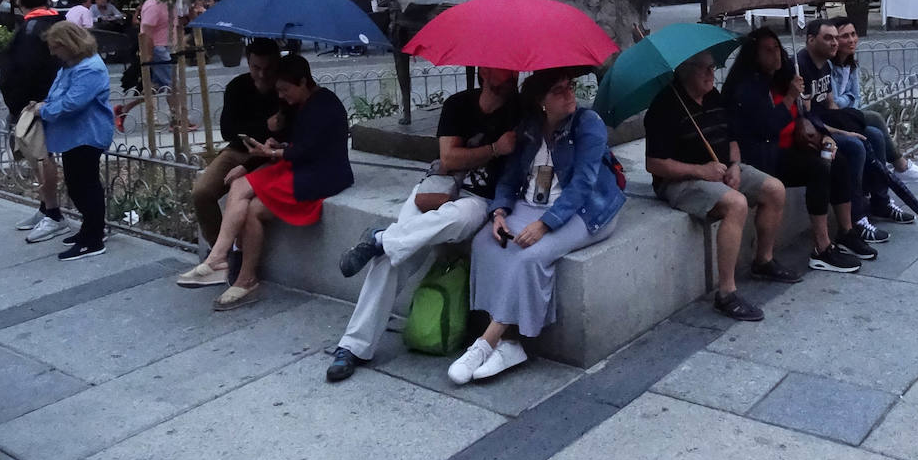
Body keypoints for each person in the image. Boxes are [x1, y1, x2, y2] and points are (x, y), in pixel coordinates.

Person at [326, 66, 521, 383]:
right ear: (484, 71)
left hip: (479, 200)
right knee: (395, 258)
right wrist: (495, 149)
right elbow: (448, 160)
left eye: (514, 71)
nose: (511, 74)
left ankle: (379, 237)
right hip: (438, 189)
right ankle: (353, 347)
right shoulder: (459, 104)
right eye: (503, 69)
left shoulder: (519, 112)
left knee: (455, 219)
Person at [448, 68, 625, 384]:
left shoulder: (588, 124)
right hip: (533, 205)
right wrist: (499, 212)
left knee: (530, 256)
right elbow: (511, 176)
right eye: (558, 90)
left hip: (586, 211)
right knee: (485, 244)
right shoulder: (529, 128)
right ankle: (510, 344)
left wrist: (545, 225)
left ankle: (486, 342)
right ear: (541, 101)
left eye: (570, 86)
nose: (569, 93)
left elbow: (583, 184)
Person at [177, 54, 353, 310]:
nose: (281, 96)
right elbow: (295, 143)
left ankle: (218, 258)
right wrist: (275, 144)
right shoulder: (300, 105)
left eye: (284, 90)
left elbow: (307, 150)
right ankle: (245, 279)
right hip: (301, 168)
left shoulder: (325, 105)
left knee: (240, 186)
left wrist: (271, 153)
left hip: (320, 176)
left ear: (303, 82)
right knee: (250, 209)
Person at [644, 51, 798, 323]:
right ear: (685, 71)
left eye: (712, 67)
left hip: (723, 169)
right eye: (704, 69)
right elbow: (654, 164)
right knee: (735, 204)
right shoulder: (666, 106)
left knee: (775, 189)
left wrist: (735, 166)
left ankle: (763, 261)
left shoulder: (714, 98)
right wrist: (699, 170)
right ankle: (726, 293)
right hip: (681, 180)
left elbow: (732, 139)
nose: (711, 74)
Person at [722, 28, 871, 270]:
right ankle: (821, 247)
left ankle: (846, 230)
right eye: (768, 51)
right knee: (818, 168)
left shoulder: (784, 78)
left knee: (838, 160)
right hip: (764, 156)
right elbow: (765, 128)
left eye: (777, 49)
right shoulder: (747, 88)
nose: (776, 56)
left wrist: (823, 136)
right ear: (754, 55)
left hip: (790, 147)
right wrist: (790, 97)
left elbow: (807, 116)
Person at [796, 20, 910, 239]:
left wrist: (845, 124)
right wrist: (844, 133)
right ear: (811, 40)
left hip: (826, 124)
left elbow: (831, 105)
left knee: (874, 135)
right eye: (828, 38)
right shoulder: (802, 68)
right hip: (812, 134)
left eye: (834, 38)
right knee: (854, 146)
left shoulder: (824, 65)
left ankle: (880, 202)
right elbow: (808, 120)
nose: (834, 43)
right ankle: (857, 218)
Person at [190, 39, 285, 247]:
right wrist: (266, 125)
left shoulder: (284, 88)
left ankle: (234, 251)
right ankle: (219, 250)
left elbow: (286, 131)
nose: (262, 74)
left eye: (268, 68)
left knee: (244, 200)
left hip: (270, 157)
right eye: (256, 68)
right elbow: (228, 130)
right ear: (248, 64)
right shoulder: (238, 86)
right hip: (237, 149)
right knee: (202, 192)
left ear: (277, 63)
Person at [35, 22, 115, 260]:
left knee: (85, 187)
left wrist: (44, 111)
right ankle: (89, 230)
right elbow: (59, 95)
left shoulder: (90, 68)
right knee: (77, 185)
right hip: (74, 136)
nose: (52, 52)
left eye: (55, 46)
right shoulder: (72, 65)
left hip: (87, 135)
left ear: (69, 44)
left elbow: (72, 103)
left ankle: (93, 239)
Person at [0, 0, 68, 243]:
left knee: (41, 157)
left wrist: (18, 103)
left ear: (19, 1)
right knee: (42, 156)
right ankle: (45, 208)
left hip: (32, 104)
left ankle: (53, 213)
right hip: (50, 99)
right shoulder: (57, 23)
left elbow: (22, 70)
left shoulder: (30, 29)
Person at [828, 17, 918, 184]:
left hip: (848, 114)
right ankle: (901, 166)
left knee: (875, 133)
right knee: (874, 118)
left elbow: (856, 98)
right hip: (833, 118)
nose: (851, 40)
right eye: (845, 36)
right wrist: (848, 99)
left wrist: (849, 104)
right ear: (835, 39)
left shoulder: (850, 65)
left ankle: (884, 186)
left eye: (853, 34)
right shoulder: (828, 66)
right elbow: (834, 101)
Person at [139, 0, 172, 90]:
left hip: (167, 46)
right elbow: (146, 32)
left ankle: (128, 105)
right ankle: (178, 105)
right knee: (173, 84)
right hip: (158, 48)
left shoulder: (169, 3)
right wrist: (149, 53)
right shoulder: (153, 6)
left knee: (157, 86)